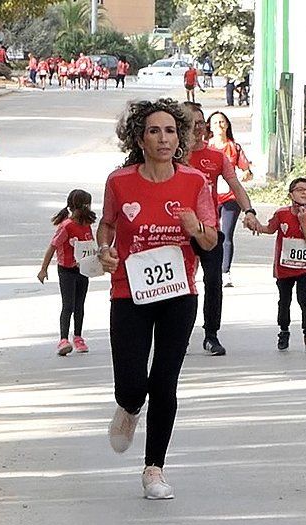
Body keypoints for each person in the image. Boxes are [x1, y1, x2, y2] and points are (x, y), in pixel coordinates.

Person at [96, 98, 218, 500]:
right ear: (140, 138)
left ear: (179, 138)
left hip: (178, 294)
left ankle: (154, 468)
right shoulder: (120, 181)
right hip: (129, 292)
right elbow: (107, 225)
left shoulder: (194, 182)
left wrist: (194, 225)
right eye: (154, 131)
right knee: (132, 384)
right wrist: (105, 250)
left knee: (164, 382)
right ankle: (129, 408)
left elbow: (211, 239)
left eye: (170, 131)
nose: (164, 138)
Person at [183, 102, 259, 356]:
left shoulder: (216, 157)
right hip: (177, 232)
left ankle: (211, 334)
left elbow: (235, 184)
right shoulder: (172, 156)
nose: (197, 127)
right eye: (191, 122)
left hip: (209, 230)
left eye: (200, 121)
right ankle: (178, 332)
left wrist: (249, 211)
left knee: (213, 280)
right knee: (183, 284)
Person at [257, 178, 306, 351]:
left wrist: (303, 222)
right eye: (300, 190)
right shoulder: (281, 214)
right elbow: (269, 229)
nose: (305, 193)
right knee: (284, 300)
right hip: (284, 267)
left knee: (304, 299)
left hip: (304, 268)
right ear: (291, 194)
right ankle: (283, 331)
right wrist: (255, 225)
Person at [38, 189, 98, 356]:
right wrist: (44, 269)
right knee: (69, 305)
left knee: (80, 305)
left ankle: (78, 337)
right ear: (77, 206)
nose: (88, 207)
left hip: (83, 270)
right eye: (86, 204)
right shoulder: (66, 226)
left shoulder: (86, 224)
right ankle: (63, 339)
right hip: (67, 271)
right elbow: (53, 246)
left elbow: (89, 246)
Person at [206, 110, 253, 288]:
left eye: (222, 122)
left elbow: (246, 170)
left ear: (227, 126)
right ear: (209, 126)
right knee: (208, 233)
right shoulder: (205, 147)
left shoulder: (234, 147)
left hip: (230, 197)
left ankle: (225, 272)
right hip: (209, 197)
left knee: (226, 234)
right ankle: (207, 267)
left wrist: (246, 173)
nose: (219, 126)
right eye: (215, 122)